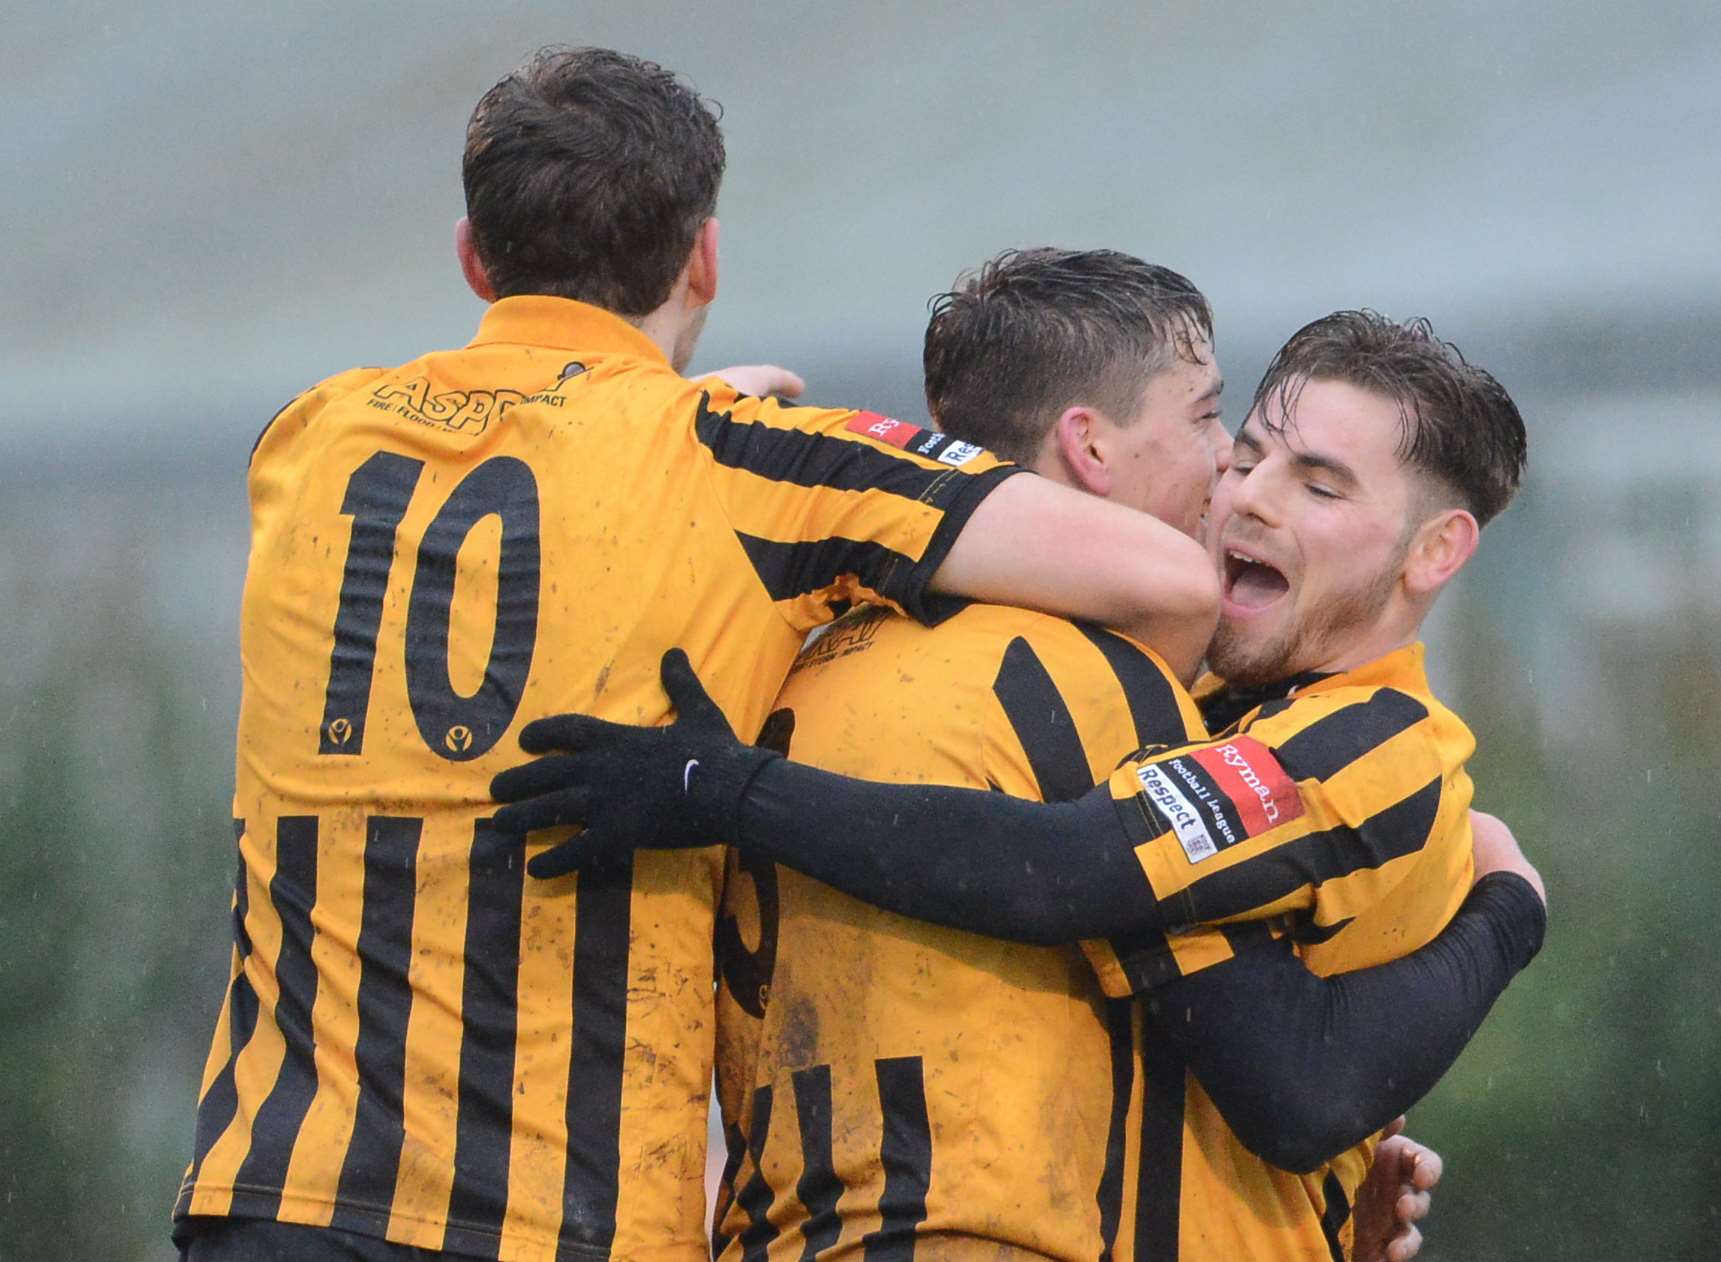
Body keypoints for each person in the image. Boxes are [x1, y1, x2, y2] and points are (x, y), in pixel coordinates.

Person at [170, 48, 1226, 1262]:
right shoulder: (743, 459)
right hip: (552, 1214)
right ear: (702, 257)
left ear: (472, 254)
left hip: (271, 1191)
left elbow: (515, 481)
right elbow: (1165, 577)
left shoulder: (306, 437)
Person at [494, 301, 1546, 1260]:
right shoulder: (1159, 697)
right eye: (1247, 452)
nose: (1243, 495)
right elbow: (1300, 1085)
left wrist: (724, 790)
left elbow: (1275, 1061)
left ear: (1434, 550)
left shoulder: (1372, 740)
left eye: (1315, 484)